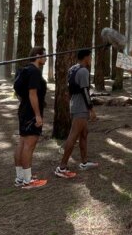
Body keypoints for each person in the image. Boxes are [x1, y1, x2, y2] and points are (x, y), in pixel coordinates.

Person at [55, 49, 99, 178]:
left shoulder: (72, 69)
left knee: (84, 133)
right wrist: (91, 110)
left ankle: (84, 162)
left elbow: (70, 89)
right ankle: (62, 167)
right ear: (85, 57)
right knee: (73, 136)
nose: (91, 59)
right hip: (81, 107)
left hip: (74, 104)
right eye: (90, 57)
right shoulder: (84, 71)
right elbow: (85, 91)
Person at [13, 47, 50, 189]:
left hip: (23, 110)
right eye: (45, 56)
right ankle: (28, 181)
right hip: (30, 113)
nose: (46, 58)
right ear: (38, 56)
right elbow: (32, 94)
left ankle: (20, 178)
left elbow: (20, 92)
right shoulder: (34, 71)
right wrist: (37, 115)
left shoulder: (25, 70)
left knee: (22, 143)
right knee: (29, 145)